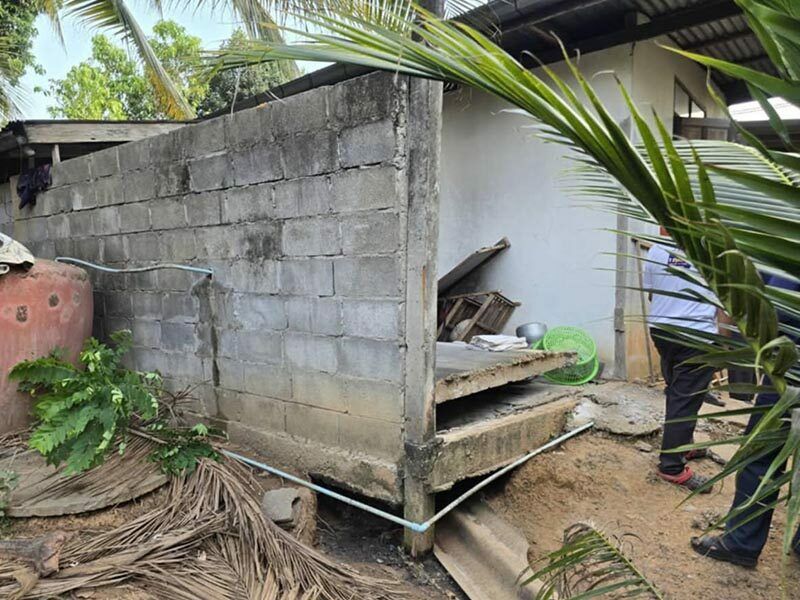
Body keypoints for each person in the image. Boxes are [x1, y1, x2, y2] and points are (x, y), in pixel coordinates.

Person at [692, 273, 800, 567]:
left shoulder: (785, 240)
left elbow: (762, 303)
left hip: (789, 374)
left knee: (761, 456)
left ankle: (741, 542)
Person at [643, 237, 721, 492]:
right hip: (696, 335)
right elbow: (725, 304)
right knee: (685, 398)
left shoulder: (656, 248)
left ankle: (682, 444)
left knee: (677, 391)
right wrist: (726, 344)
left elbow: (652, 293)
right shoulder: (712, 251)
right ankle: (672, 467)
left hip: (663, 331)